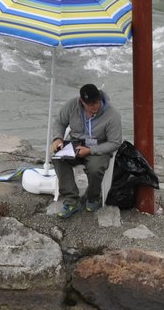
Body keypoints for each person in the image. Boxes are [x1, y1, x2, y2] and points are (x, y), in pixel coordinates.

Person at [49, 83, 124, 219]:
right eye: (90, 104)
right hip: (76, 143)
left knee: (96, 168)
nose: (94, 106)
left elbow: (115, 143)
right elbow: (59, 122)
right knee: (57, 158)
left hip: (99, 146)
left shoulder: (113, 115)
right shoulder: (72, 105)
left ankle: (93, 197)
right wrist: (58, 138)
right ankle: (71, 199)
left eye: (96, 102)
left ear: (100, 98)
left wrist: (90, 150)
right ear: (82, 101)